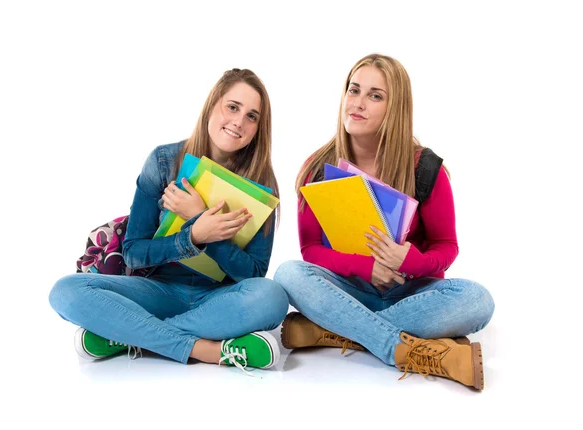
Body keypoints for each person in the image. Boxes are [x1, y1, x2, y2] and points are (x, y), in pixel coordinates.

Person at [273, 54, 495, 390]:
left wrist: (410, 261)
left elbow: (446, 248)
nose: (358, 103)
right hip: (349, 288)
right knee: (288, 274)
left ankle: (331, 331)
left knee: (479, 300)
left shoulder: (424, 167)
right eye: (354, 90)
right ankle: (400, 347)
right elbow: (311, 251)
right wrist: (366, 268)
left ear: (396, 108)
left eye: (375, 96)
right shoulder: (317, 167)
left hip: (412, 293)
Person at [49, 68, 289, 375]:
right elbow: (134, 252)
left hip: (215, 301)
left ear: (259, 128)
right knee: (64, 291)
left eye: (252, 116)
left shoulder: (260, 183)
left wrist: (203, 224)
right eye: (232, 107)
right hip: (156, 292)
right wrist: (190, 238)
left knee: (273, 298)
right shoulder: (163, 161)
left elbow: (253, 274)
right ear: (213, 104)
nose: (239, 122)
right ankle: (208, 350)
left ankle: (131, 337)